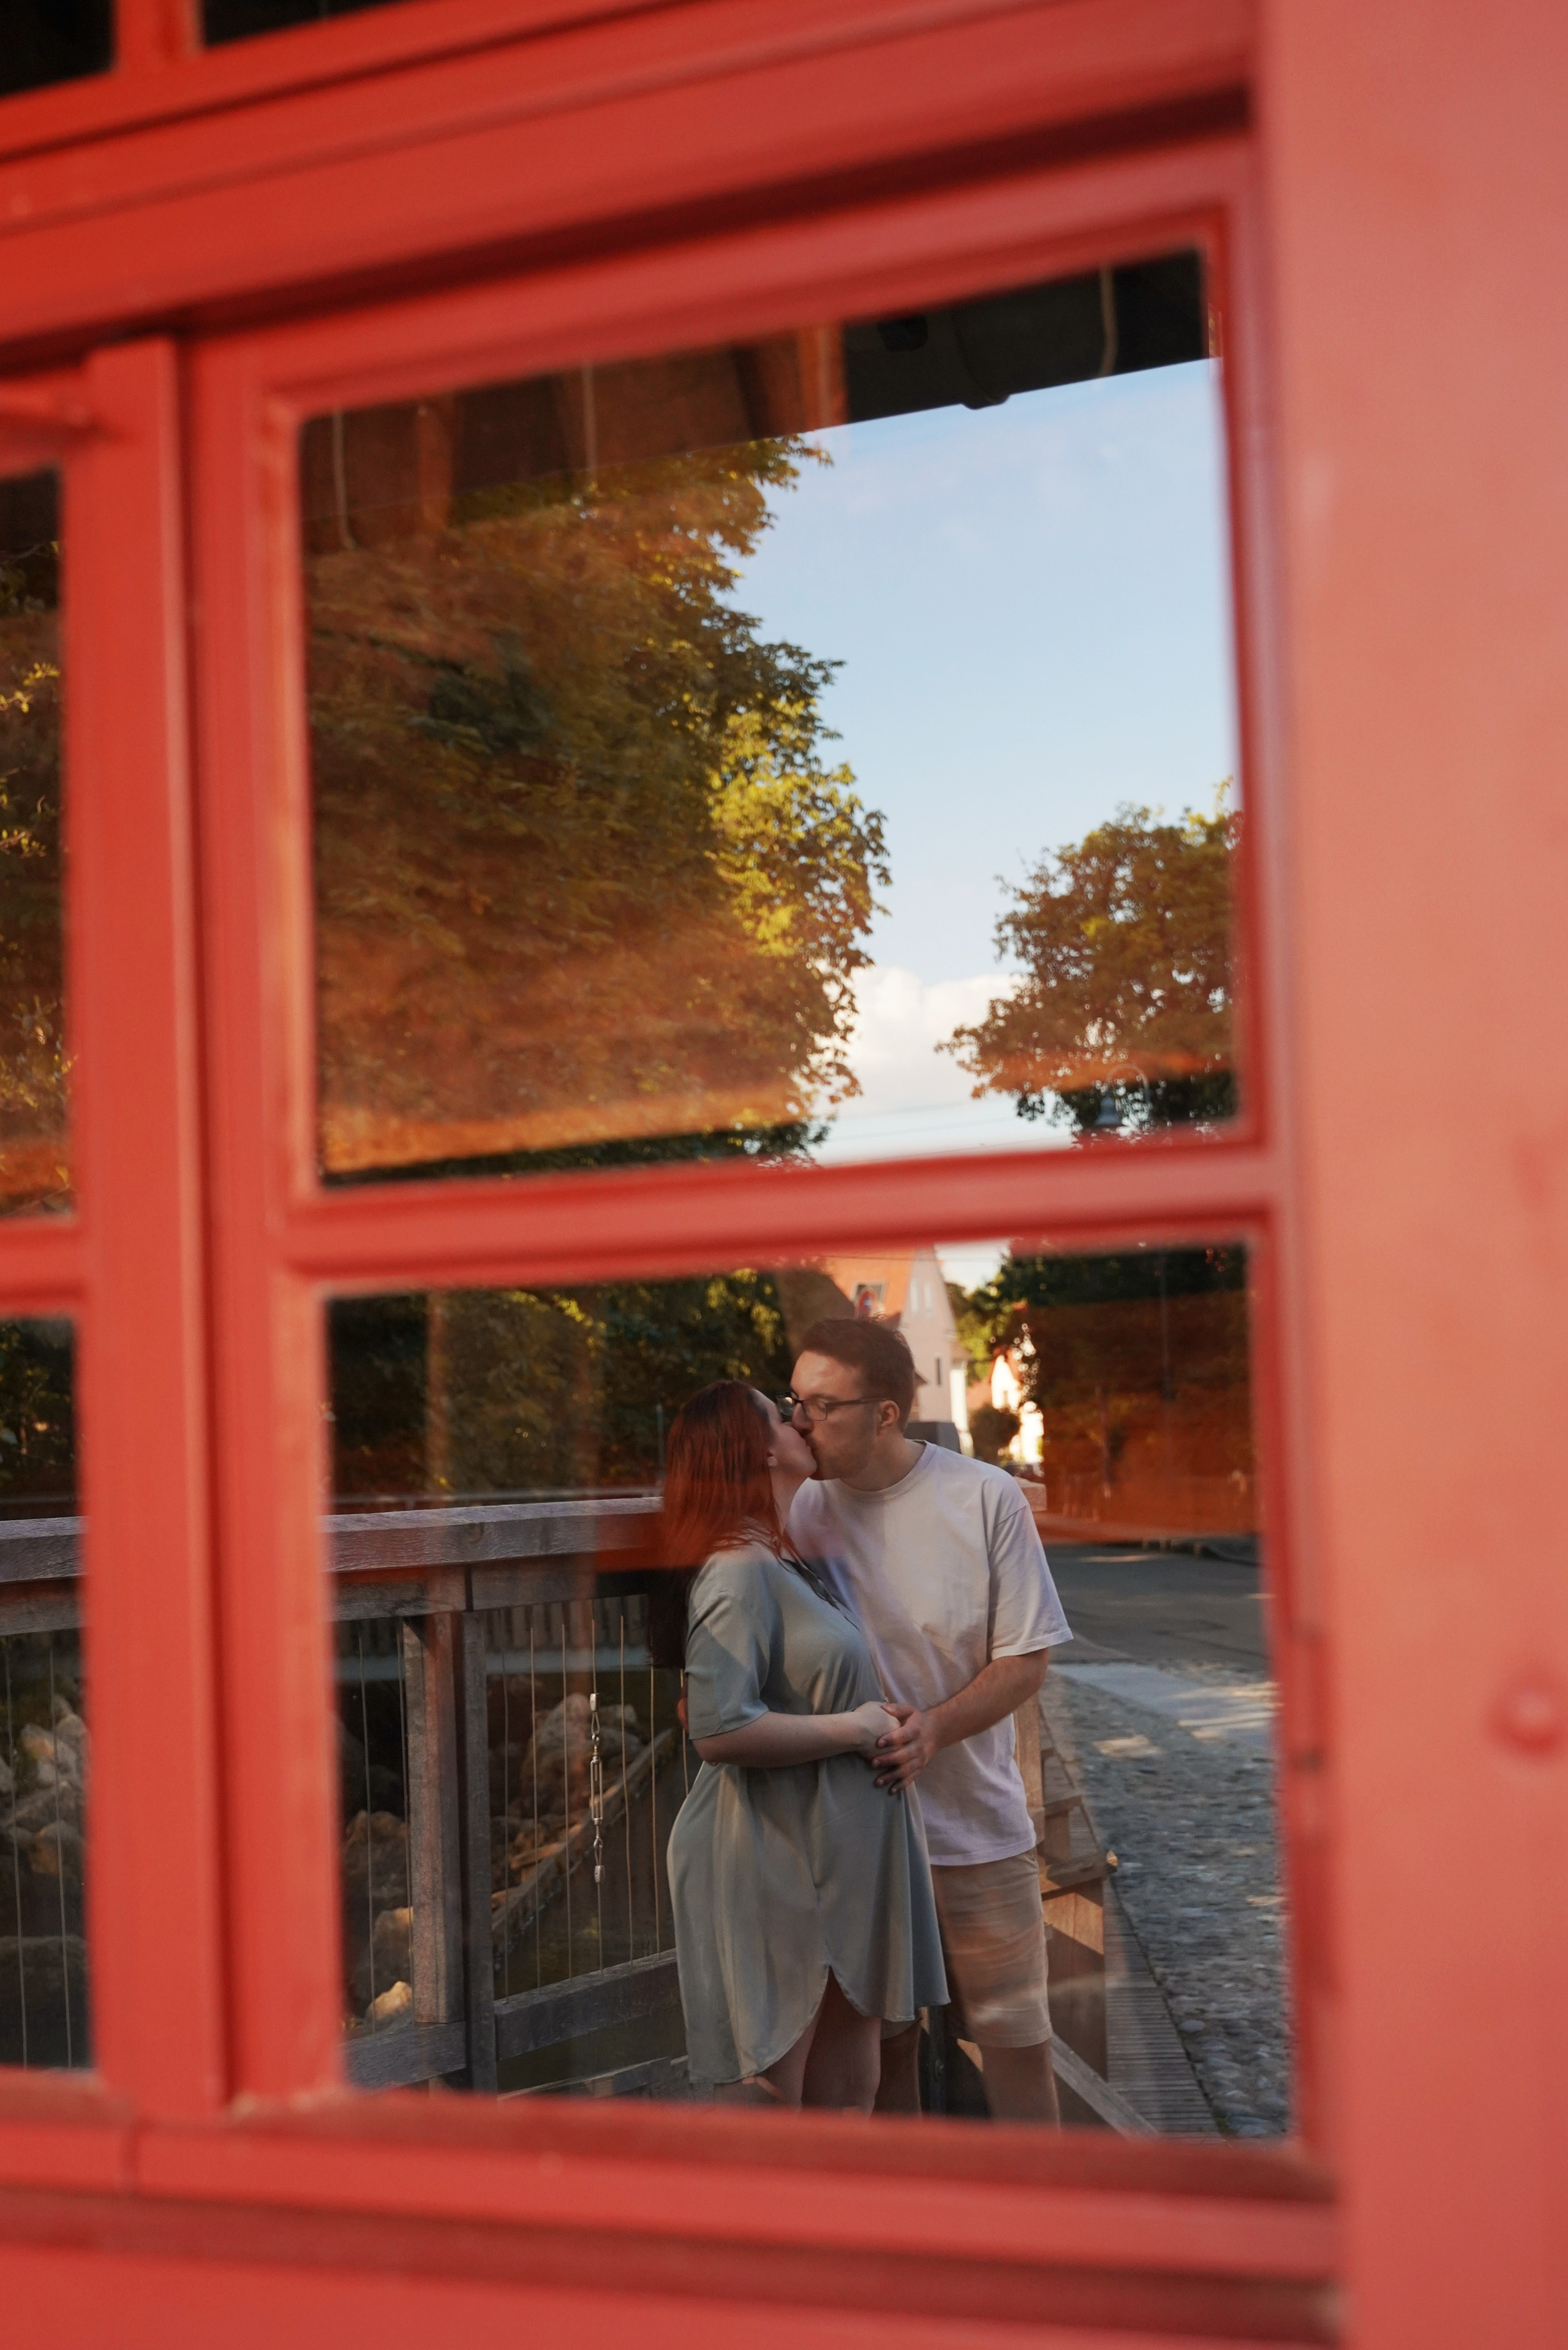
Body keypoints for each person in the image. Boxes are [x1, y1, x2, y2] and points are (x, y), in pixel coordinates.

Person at [785, 1318, 1072, 2122]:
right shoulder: (796, 1508)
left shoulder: (984, 1497)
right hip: (856, 1838)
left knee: (1017, 2046)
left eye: (821, 1406)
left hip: (976, 1830)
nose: (799, 1424)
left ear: (886, 1413)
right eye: (793, 1402)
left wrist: (935, 1729)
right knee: (885, 2052)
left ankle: (1043, 2206)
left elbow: (1028, 1658)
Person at [657, 1380, 947, 2109]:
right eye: (782, 1417)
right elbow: (718, 1729)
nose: (800, 1423)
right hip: (775, 1860)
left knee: (848, 2095)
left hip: (836, 1860)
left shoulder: (781, 1558)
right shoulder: (738, 1568)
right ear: (758, 1451)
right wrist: (855, 1727)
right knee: (772, 2108)